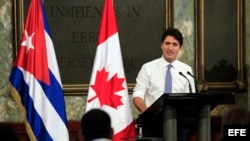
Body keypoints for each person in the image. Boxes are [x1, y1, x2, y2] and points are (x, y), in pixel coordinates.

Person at [132, 27, 196, 113]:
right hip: (152, 120)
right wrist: (148, 114)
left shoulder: (186, 70)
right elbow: (137, 95)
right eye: (167, 43)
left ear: (180, 48)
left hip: (178, 122)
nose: (170, 48)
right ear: (161, 45)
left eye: (174, 44)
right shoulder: (148, 68)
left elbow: (190, 99)